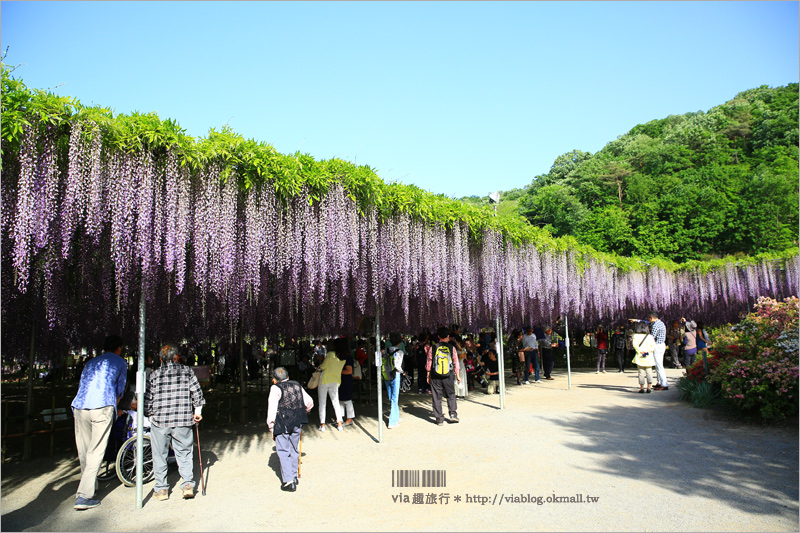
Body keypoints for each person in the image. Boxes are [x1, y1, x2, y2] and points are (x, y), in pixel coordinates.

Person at [70, 335, 128, 510]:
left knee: (84, 450)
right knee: (96, 451)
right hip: (102, 405)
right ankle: (84, 496)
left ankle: (90, 486)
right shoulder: (120, 362)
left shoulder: (91, 362)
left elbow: (82, 384)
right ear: (119, 348)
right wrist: (115, 408)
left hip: (81, 405)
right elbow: (120, 388)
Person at [145, 343, 206, 501]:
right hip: (183, 419)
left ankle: (162, 489)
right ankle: (187, 485)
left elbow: (148, 399)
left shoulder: (154, 374)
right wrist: (197, 411)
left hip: (160, 420)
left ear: (160, 359)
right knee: (184, 452)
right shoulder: (187, 371)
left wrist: (150, 415)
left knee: (159, 454)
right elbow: (197, 393)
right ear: (177, 357)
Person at [267, 366, 314, 492]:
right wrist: (303, 411)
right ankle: (294, 475)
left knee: (283, 450)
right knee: (294, 448)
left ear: (274, 380)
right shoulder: (297, 385)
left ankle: (289, 481)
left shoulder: (275, 388)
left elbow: (272, 409)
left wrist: (271, 426)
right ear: (288, 377)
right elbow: (309, 402)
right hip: (297, 421)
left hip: (282, 423)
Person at [426, 326, 461, 425]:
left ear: (438, 336)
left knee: (436, 397)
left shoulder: (433, 347)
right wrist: (457, 375)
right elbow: (455, 362)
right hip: (448, 375)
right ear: (448, 336)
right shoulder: (451, 347)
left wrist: (428, 375)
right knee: (450, 394)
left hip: (435, 375)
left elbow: (429, 362)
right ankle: (453, 414)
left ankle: (439, 419)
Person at [630, 311, 668, 391]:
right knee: (657, 366)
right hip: (660, 345)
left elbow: (651, 337)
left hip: (657, 346)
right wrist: (637, 320)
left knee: (659, 365)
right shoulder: (658, 323)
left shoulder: (656, 325)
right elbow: (647, 323)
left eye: (649, 319)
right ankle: (659, 383)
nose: (649, 321)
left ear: (652, 318)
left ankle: (664, 384)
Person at [317, 340, 346, 432]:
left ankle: (322, 425)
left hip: (325, 380)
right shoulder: (344, 357)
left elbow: (323, 366)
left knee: (322, 403)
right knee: (336, 402)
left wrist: (318, 366)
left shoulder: (330, 354)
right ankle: (340, 424)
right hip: (335, 381)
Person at [383, 333, 405, 429]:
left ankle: (396, 417)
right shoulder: (399, 352)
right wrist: (403, 372)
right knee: (395, 398)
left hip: (386, 375)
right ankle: (392, 422)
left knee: (391, 397)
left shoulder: (385, 351)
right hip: (395, 375)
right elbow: (397, 365)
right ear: (399, 342)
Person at [631, 321, 656, 394]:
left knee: (641, 373)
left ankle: (642, 388)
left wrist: (641, 351)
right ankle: (649, 387)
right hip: (648, 356)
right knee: (649, 372)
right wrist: (647, 351)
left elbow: (635, 345)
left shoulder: (635, 336)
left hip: (640, 357)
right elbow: (653, 346)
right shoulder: (650, 336)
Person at [336, 337, 356, 427]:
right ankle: (340, 417)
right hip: (341, 380)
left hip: (346, 380)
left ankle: (350, 418)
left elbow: (349, 371)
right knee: (340, 400)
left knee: (347, 400)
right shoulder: (341, 357)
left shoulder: (348, 357)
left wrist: (337, 371)